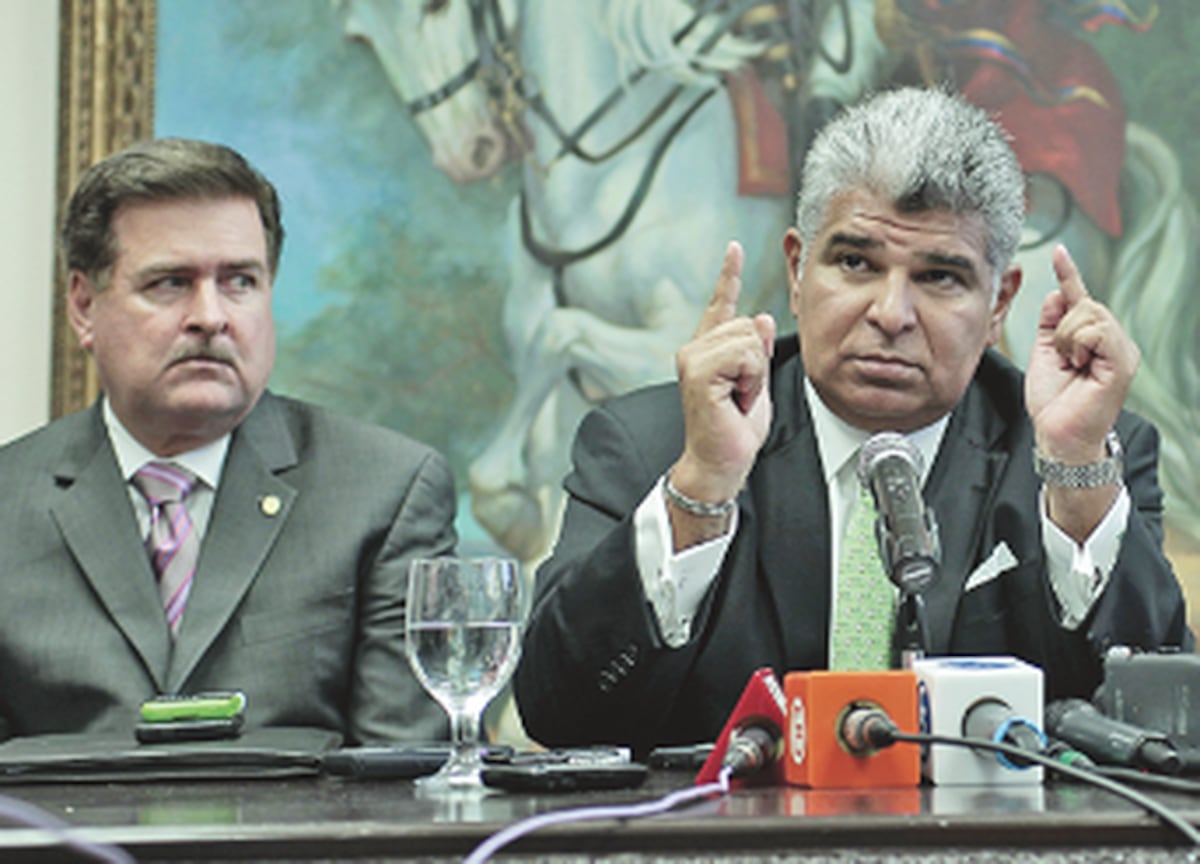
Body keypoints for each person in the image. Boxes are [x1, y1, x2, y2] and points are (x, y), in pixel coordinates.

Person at [513, 87, 1190, 755]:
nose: (890, 314)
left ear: (999, 305)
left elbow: (1159, 728)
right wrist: (703, 488)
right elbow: (559, 714)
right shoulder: (654, 445)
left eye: (940, 277)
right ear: (797, 270)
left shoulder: (1078, 451)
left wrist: (1076, 472)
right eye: (855, 262)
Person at [0, 138, 456, 745]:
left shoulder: (385, 490)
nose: (211, 317)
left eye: (240, 280)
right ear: (84, 307)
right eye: (170, 283)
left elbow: (402, 773)